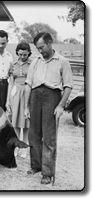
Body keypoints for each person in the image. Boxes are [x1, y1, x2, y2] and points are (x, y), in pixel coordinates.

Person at [24, 32, 73, 185]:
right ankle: (36, 166)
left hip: (52, 98)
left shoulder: (62, 61)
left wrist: (60, 105)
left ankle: (47, 172)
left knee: (49, 137)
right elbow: (28, 85)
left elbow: (68, 86)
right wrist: (26, 106)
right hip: (35, 97)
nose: (40, 51)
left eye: (42, 47)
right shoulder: (35, 62)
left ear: (50, 43)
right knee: (33, 135)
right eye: (38, 48)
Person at [6, 41, 32, 158]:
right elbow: (11, 82)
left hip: (26, 92)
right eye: (20, 54)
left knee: (26, 122)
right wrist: (8, 100)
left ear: (28, 54)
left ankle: (25, 147)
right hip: (15, 93)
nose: (22, 57)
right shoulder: (13, 64)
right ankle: (16, 146)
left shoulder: (32, 65)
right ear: (17, 53)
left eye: (25, 55)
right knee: (15, 122)